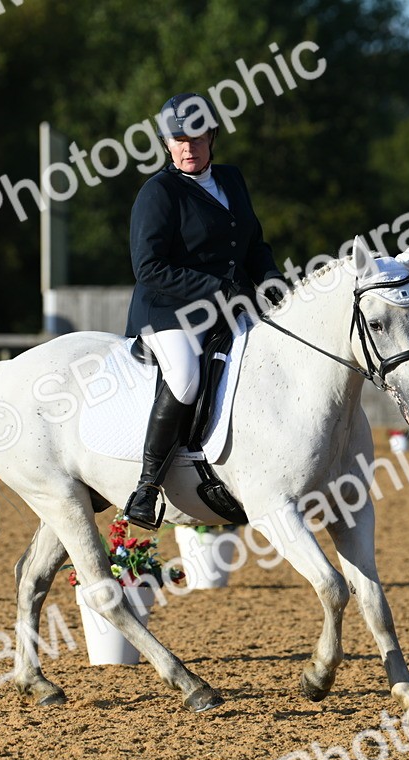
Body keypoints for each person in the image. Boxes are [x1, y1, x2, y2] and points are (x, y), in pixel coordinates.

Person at [122, 92, 285, 530]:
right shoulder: (158, 193)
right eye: (177, 139)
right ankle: (146, 487)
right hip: (168, 311)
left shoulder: (231, 180)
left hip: (229, 304)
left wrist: (270, 279)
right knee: (186, 376)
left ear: (212, 136)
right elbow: (149, 268)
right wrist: (217, 288)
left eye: (195, 137)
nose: (187, 147)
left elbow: (253, 244)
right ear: (166, 143)